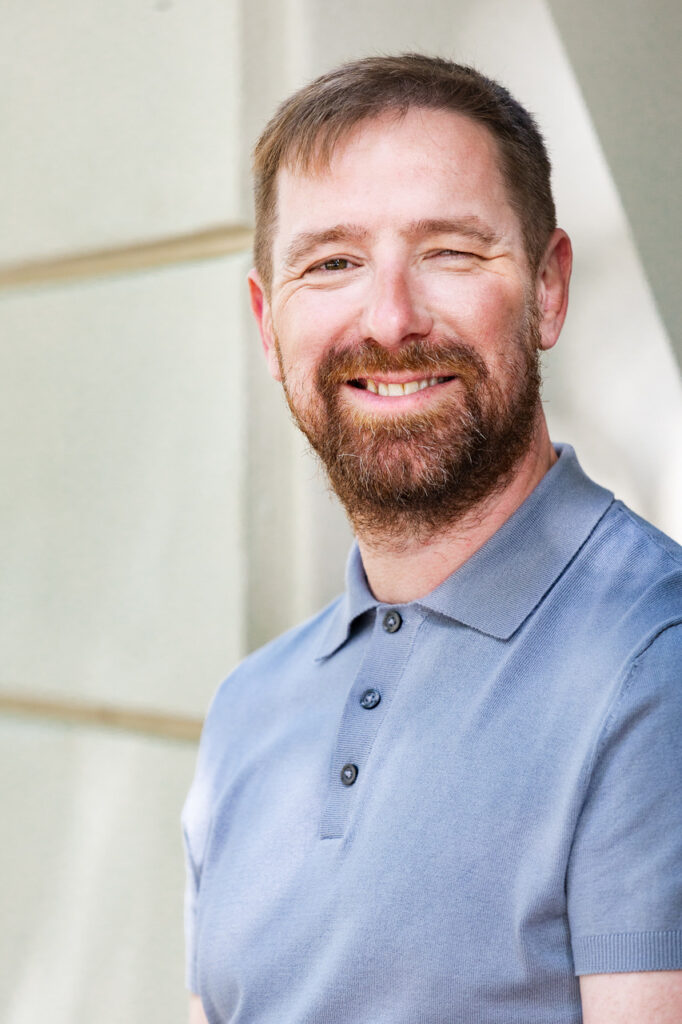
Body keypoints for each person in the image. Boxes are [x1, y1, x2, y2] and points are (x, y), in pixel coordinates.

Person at [183, 54, 682, 1024]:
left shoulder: (654, 664)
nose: (390, 319)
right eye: (332, 263)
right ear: (267, 322)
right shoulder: (248, 708)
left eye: (450, 252)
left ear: (547, 288)